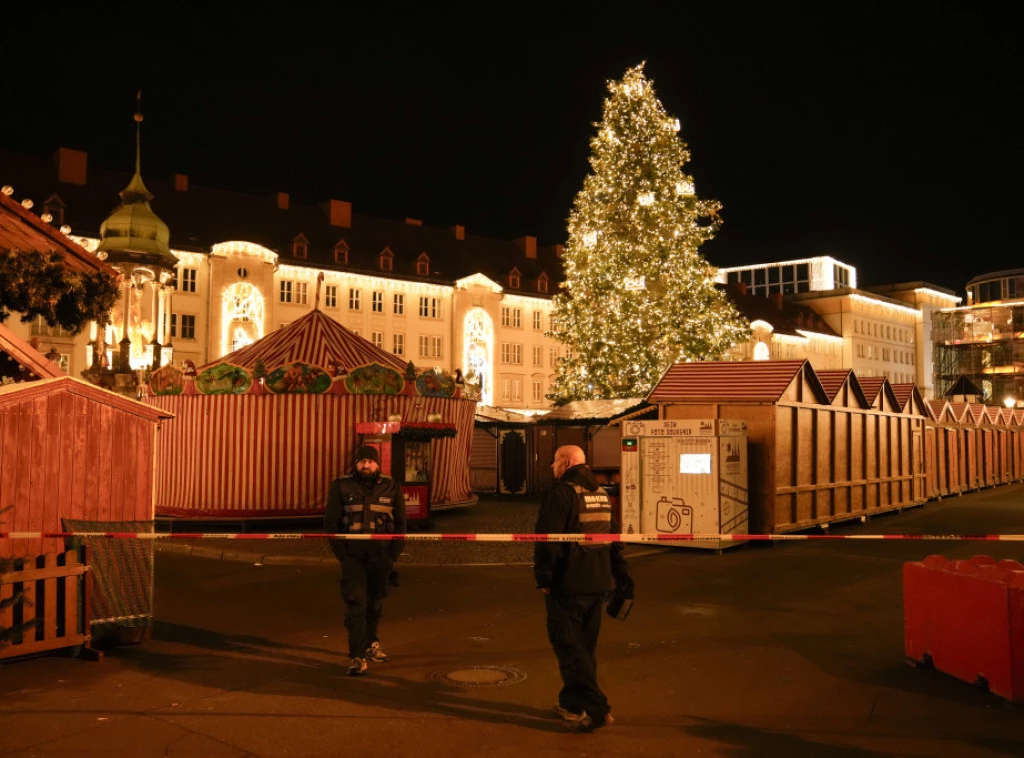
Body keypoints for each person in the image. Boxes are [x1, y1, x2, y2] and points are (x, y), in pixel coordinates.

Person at [534, 444, 634, 731]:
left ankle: (597, 709)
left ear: (566, 462)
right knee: (583, 648)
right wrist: (620, 576)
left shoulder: (562, 493)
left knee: (568, 647)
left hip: (568, 584)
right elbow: (614, 540)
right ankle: (571, 704)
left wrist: (544, 579)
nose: (552, 468)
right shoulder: (600, 495)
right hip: (598, 583)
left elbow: (547, 541)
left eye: (554, 462)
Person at [325, 444, 406, 676]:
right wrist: (342, 554)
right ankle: (357, 656)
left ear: (378, 464)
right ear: (356, 464)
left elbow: (400, 524)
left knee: (375, 601)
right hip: (353, 556)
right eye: (361, 461)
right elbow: (330, 522)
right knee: (356, 604)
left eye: (370, 461)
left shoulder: (391, 486)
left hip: (381, 556)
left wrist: (392, 555)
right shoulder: (342, 486)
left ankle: (371, 644)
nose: (365, 465)